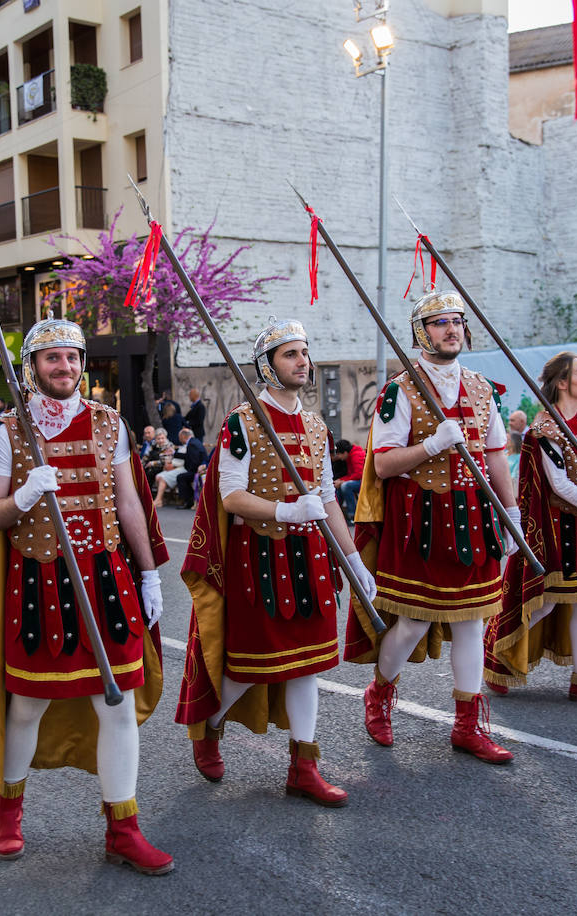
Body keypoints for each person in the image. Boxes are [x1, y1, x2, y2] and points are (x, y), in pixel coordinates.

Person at [0, 318, 174, 875]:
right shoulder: (7, 432)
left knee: (115, 706)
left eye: (72, 358)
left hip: (109, 581)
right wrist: (22, 496)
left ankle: (123, 828)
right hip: (40, 585)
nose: (64, 367)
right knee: (28, 707)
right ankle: (9, 811)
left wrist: (149, 573)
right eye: (52, 359)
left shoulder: (109, 422)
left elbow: (130, 503)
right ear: (32, 368)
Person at [176, 316, 374, 805]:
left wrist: (355, 560)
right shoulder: (243, 422)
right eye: (290, 354)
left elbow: (328, 498)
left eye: (304, 353)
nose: (302, 362)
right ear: (267, 366)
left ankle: (304, 767)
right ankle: (211, 725)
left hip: (309, 557)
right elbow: (230, 496)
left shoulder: (315, 426)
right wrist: (286, 509)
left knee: (308, 668)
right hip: (260, 557)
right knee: (250, 666)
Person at [343, 290, 519, 764]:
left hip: (476, 517)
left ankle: (468, 725)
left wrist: (512, 511)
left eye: (457, 321)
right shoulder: (401, 390)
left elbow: (497, 457)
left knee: (472, 622)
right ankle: (379, 693)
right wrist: (433, 445)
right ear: (422, 333)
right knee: (414, 621)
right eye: (440, 322)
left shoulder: (483, 389)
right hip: (421, 520)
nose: (452, 329)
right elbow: (382, 465)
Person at [485, 353, 577, 707]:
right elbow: (562, 487)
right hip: (558, 528)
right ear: (563, 383)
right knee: (546, 602)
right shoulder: (546, 430)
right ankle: (494, 650)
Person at [332, 438, 366, 523]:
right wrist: (341, 480)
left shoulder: (356, 455)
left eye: (339, 454)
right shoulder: (349, 456)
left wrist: (342, 481)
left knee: (345, 486)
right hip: (359, 480)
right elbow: (352, 475)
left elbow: (359, 474)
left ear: (345, 453)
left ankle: (352, 515)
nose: (338, 457)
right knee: (340, 486)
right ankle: (337, 514)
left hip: (364, 482)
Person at [174, 427, 208, 509]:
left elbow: (194, 461)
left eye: (179, 437)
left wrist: (189, 470)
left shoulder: (191, 444)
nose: (179, 440)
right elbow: (189, 456)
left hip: (199, 470)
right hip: (199, 468)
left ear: (183, 436)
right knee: (183, 477)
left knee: (181, 477)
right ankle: (189, 500)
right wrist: (175, 454)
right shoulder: (194, 441)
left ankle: (187, 501)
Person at [151, 432, 187, 508]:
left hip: (180, 467)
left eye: (162, 438)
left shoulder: (170, 446)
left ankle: (158, 499)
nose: (179, 438)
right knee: (158, 476)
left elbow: (182, 461)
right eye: (158, 438)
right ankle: (161, 498)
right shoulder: (183, 446)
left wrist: (172, 465)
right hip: (173, 465)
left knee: (161, 477)